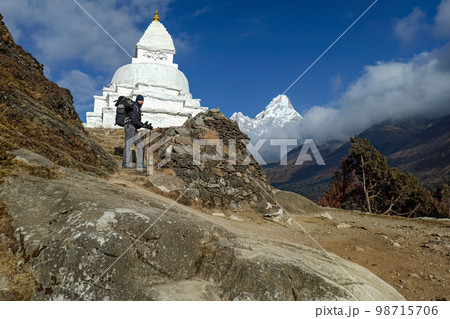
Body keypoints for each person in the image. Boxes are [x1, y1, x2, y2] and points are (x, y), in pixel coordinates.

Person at [122, 95, 152, 169]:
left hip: (134, 128)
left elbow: (136, 122)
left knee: (140, 145)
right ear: (137, 100)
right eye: (140, 100)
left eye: (142, 100)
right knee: (129, 144)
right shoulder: (134, 106)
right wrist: (143, 125)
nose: (142, 102)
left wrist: (145, 125)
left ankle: (139, 164)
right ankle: (126, 163)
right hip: (130, 127)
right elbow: (134, 120)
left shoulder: (137, 108)